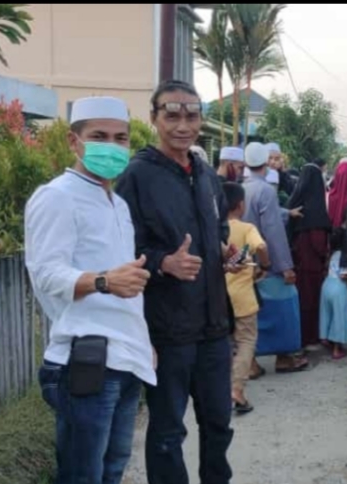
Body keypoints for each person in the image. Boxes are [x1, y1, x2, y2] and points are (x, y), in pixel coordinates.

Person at [26, 96, 155, 484]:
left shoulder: (118, 204)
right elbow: (46, 273)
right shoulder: (57, 197)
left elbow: (127, 280)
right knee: (82, 475)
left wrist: (143, 340)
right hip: (86, 361)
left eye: (120, 138)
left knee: (113, 468)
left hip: (126, 357)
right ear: (74, 141)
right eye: (99, 136)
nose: (111, 146)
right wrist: (103, 281)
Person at [114, 79, 238, 484]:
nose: (183, 125)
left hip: (214, 325)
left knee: (218, 423)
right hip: (168, 328)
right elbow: (122, 246)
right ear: (154, 118)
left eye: (192, 115)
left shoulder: (205, 174)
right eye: (172, 115)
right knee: (168, 431)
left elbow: (219, 226)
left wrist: (222, 250)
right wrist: (163, 262)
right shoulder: (136, 176)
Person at [240, 142, 310, 374]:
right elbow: (273, 231)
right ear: (265, 162)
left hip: (243, 263)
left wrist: (286, 212)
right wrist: (285, 266)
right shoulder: (266, 190)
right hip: (266, 263)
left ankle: (250, 362)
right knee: (285, 306)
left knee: (251, 313)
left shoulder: (242, 188)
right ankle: (284, 357)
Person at [221, 182, 271, 414]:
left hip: (218, 297)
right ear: (241, 205)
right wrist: (265, 265)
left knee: (223, 344)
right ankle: (237, 390)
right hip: (243, 298)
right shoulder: (247, 228)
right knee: (246, 342)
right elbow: (261, 246)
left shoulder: (214, 229)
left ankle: (219, 389)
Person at [287, 158, 332, 349]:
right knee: (311, 302)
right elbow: (318, 244)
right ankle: (310, 336)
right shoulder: (317, 211)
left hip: (296, 264)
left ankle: (300, 336)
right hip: (312, 267)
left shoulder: (293, 207)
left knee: (301, 302)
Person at [320, 160, 347, 359]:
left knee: (330, 296)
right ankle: (343, 340)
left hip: (332, 249)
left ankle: (327, 337)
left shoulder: (329, 197)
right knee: (346, 298)